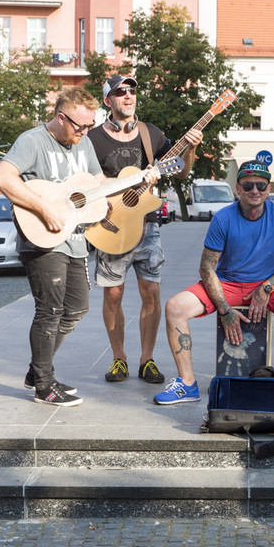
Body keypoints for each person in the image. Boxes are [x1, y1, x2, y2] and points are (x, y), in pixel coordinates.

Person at [0, 86, 160, 407]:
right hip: (42, 237)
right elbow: (3, 177)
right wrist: (45, 209)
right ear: (60, 117)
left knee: (78, 307)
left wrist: (138, 179)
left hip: (75, 239)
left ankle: (36, 370)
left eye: (90, 125)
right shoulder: (32, 141)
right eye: (80, 126)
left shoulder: (82, 144)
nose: (86, 132)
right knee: (51, 310)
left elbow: (98, 185)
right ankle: (43, 383)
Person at [153, 160, 274, 405]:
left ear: (268, 189)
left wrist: (267, 287)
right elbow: (207, 267)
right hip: (227, 284)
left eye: (261, 185)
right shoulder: (223, 218)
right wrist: (224, 309)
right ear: (237, 189)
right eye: (248, 185)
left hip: (266, 284)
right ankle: (187, 384)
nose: (255, 191)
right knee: (174, 307)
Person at [87, 75, 202, 385]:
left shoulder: (151, 135)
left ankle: (146, 360)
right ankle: (118, 359)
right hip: (110, 226)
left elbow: (181, 171)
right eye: (120, 91)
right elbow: (87, 182)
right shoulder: (94, 139)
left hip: (147, 227)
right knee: (113, 294)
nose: (128, 96)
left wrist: (189, 150)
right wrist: (125, 185)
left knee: (150, 292)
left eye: (132, 91)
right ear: (108, 100)